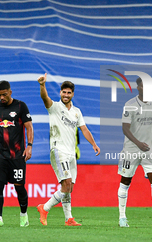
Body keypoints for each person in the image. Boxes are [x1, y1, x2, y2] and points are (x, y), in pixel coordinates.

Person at [37, 73, 100, 226]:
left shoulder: (76, 112)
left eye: (69, 92)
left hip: (71, 154)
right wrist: (42, 85)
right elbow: (45, 98)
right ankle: (45, 208)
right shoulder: (55, 107)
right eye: (63, 92)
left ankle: (68, 219)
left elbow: (84, 129)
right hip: (59, 150)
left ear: (72, 94)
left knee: (69, 187)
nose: (66, 95)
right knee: (66, 183)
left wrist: (93, 144)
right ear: (60, 93)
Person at [117, 77, 152, 228]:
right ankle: (122, 217)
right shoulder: (130, 105)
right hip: (131, 149)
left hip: (148, 149)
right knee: (126, 180)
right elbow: (125, 128)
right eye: (144, 86)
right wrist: (138, 144)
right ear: (138, 87)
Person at [0, 80, 34, 228]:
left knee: (19, 186)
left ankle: (24, 215)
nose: (2, 98)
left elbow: (29, 127)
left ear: (10, 92)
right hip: (0, 154)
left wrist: (29, 146)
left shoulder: (20, 106)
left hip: (17, 155)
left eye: (4, 95)